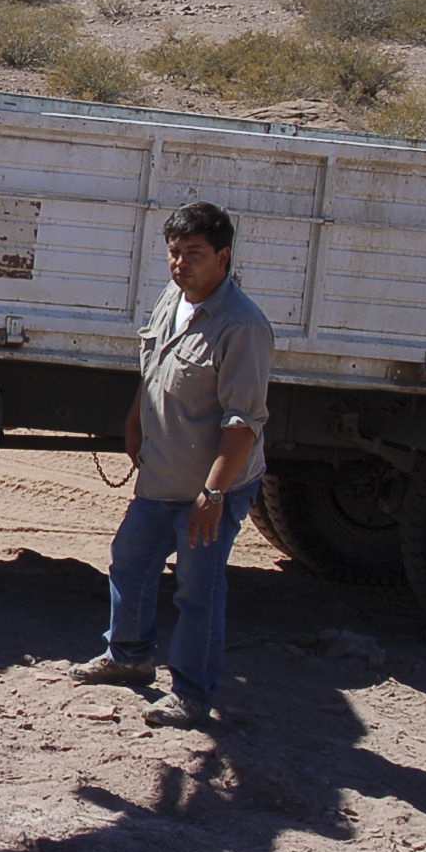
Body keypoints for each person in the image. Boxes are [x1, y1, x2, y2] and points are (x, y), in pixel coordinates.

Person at [71, 201, 274, 730]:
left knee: (197, 588)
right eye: (175, 252)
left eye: (195, 254)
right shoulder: (174, 297)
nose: (181, 264)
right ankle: (130, 654)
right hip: (163, 476)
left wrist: (213, 496)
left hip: (209, 488)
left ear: (224, 257)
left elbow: (243, 423)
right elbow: (155, 362)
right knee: (130, 558)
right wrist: (136, 417)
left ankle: (192, 694)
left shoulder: (243, 327)